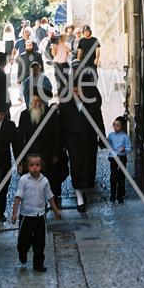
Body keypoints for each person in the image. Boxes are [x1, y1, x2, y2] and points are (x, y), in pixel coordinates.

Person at [59, 82, 106, 212]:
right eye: (74, 91)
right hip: (73, 141)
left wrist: (102, 138)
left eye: (79, 90)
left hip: (88, 139)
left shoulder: (91, 102)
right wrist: (62, 143)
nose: (77, 93)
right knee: (76, 167)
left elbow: (98, 118)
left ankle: (83, 191)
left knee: (88, 167)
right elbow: (61, 123)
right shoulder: (66, 104)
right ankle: (79, 197)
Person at [12, 154, 61, 272]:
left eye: (37, 165)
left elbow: (50, 196)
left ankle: (38, 264)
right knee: (24, 240)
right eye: (32, 165)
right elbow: (18, 197)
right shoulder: (23, 180)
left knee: (40, 242)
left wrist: (55, 210)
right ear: (27, 167)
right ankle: (22, 252)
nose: (34, 167)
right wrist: (14, 213)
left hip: (40, 216)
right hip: (26, 216)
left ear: (41, 166)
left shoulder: (44, 181)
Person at [18, 92, 61, 203]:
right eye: (33, 101)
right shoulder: (24, 115)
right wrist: (20, 160)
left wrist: (55, 154)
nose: (35, 104)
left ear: (42, 102)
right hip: (30, 154)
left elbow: (57, 135)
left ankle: (49, 201)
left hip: (46, 153)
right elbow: (20, 138)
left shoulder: (50, 114)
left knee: (47, 180)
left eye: (38, 101)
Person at [107, 116, 132, 203]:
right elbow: (107, 144)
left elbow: (129, 148)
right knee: (113, 176)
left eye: (117, 125)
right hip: (113, 158)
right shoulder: (111, 136)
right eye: (114, 125)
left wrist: (124, 149)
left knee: (121, 176)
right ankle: (112, 195)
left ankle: (120, 195)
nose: (115, 127)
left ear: (122, 126)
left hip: (122, 158)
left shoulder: (125, 137)